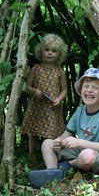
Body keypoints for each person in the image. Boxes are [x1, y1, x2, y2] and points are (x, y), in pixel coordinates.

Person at [28, 67, 99, 188]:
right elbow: (66, 134)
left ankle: (66, 167)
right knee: (47, 143)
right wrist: (58, 142)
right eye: (86, 86)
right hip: (80, 151)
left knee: (87, 156)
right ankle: (53, 172)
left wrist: (78, 142)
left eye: (95, 87)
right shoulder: (80, 111)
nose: (89, 90)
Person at [21, 33, 68, 162]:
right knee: (33, 131)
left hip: (52, 107)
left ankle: (49, 156)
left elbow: (64, 90)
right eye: (47, 50)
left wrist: (59, 99)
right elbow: (26, 86)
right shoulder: (35, 69)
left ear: (59, 54)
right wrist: (34, 91)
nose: (49, 53)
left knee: (51, 132)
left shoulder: (60, 72)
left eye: (54, 51)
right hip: (37, 105)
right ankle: (31, 156)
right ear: (41, 51)